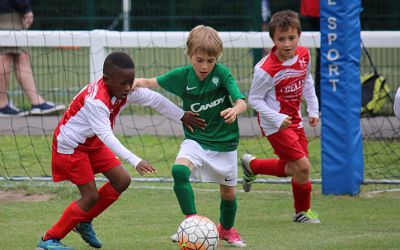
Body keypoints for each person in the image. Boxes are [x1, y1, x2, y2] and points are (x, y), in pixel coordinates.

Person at [36, 52, 205, 250]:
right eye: (123, 83)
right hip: (71, 147)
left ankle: (83, 222)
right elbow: (107, 136)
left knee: (122, 180)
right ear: (107, 81)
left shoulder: (125, 90)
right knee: (90, 196)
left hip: (92, 142)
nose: (128, 87)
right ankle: (49, 239)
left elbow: (155, 99)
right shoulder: (96, 102)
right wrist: (136, 160)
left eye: (131, 82)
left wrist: (182, 115)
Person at [134, 25, 248, 247]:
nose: (205, 66)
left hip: (224, 144)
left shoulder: (222, 73)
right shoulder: (182, 76)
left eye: (211, 60)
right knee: (179, 171)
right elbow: (151, 83)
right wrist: (135, 82)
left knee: (228, 195)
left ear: (218, 58)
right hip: (196, 140)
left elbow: (241, 102)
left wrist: (234, 110)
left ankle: (226, 229)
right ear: (189, 55)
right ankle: (191, 223)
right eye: (199, 59)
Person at [241, 10, 320, 224]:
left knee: (295, 168)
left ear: (299, 36)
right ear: (273, 40)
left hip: (295, 120)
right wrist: (276, 118)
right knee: (302, 167)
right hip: (274, 124)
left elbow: (307, 80)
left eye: (291, 38)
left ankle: (253, 166)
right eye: (281, 39)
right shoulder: (266, 69)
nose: (287, 44)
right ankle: (302, 212)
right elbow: (254, 99)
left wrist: (313, 109)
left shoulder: (304, 55)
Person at [0, 0, 65, 117]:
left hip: (10, 11)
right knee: (5, 55)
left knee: (21, 56)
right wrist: (25, 8)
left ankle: (37, 102)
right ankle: (2, 105)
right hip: (8, 12)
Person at [300, 0, 321, 108]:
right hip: (316, 9)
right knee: (324, 57)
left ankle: (318, 104)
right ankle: (319, 104)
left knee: (323, 57)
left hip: (334, 9)